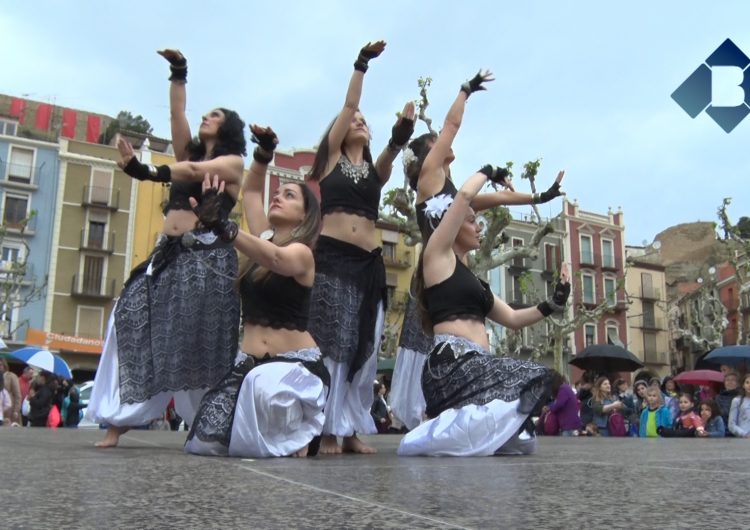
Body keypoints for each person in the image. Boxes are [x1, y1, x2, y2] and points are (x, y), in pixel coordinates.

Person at [87, 49, 245, 447]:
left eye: (215, 116)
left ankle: (208, 422)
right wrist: (179, 73)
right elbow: (178, 117)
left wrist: (145, 171)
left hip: (206, 258)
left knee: (200, 340)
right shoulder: (187, 153)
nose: (206, 118)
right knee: (130, 318)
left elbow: (193, 173)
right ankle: (117, 420)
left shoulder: (232, 164)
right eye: (205, 114)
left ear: (226, 130)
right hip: (168, 253)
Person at [391, 72, 564, 431]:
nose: (443, 142)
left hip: (456, 269)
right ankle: (431, 411)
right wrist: (465, 91)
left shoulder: (456, 194)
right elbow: (452, 125)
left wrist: (540, 197)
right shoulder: (428, 179)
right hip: (438, 268)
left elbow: (494, 197)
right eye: (435, 143)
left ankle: (453, 412)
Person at [397, 170, 570, 456]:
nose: (478, 227)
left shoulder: (474, 281)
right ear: (451, 226)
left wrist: (553, 303)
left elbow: (513, 319)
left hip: (478, 366)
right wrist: (489, 170)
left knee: (525, 434)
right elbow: (464, 195)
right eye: (471, 221)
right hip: (451, 368)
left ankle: (454, 431)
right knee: (536, 377)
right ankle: (437, 433)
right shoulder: (437, 257)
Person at [185, 128, 328, 458]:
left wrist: (225, 227)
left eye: (289, 195)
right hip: (246, 365)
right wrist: (264, 152)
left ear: (306, 216)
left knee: (264, 394)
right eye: (278, 193)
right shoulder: (261, 239)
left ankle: (299, 430)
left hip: (294, 368)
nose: (277, 196)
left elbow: (276, 258)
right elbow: (251, 191)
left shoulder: (303, 253)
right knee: (203, 443)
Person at [306, 41, 416, 455]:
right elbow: (350, 104)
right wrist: (362, 64)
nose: (359, 122)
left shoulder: (375, 169)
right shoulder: (332, 158)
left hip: (369, 265)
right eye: (354, 120)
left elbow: (392, 151)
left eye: (364, 122)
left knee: (363, 346)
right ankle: (326, 427)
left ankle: (350, 426)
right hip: (333, 260)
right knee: (333, 342)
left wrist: (402, 131)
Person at [542, 371, 582, 436]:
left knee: (567, 444)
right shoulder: (565, 388)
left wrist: (549, 408)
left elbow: (559, 404)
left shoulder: (563, 388)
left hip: (569, 425)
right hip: (570, 424)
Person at [716, 370, 739, 435]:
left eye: (733, 380)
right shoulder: (718, 397)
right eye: (727, 380)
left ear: (737, 383)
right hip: (723, 428)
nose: (730, 382)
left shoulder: (741, 397)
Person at [728, 373, 750, 438]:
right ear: (743, 385)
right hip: (743, 439)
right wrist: (745, 434)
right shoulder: (737, 401)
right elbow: (731, 425)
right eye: (747, 382)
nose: (749, 385)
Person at [0, 359, 21, 425]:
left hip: (9, 407)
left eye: (0, 365)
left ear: (4, 365)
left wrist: (16, 410)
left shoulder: (11, 376)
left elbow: (17, 395)